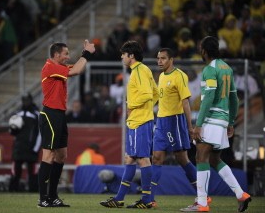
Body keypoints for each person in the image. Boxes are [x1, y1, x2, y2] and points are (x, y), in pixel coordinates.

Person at [180, 36, 251, 212]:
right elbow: (234, 97)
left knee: (200, 157)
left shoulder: (209, 70)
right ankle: (241, 194)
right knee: (214, 158)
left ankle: (202, 204)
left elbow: (209, 97)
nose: (198, 48)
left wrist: (199, 124)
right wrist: (231, 121)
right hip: (222, 119)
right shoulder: (226, 68)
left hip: (211, 119)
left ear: (204, 50)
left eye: (200, 46)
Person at [100, 40, 159, 209]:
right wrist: (147, 109)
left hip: (139, 121)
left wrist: (132, 105)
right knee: (130, 158)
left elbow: (148, 94)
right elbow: (155, 93)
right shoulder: (143, 70)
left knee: (142, 160)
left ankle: (146, 200)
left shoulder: (138, 71)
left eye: (123, 54)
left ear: (131, 56)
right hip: (140, 119)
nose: (121, 57)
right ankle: (119, 198)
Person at [38, 40, 95, 207]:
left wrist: (85, 55)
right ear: (56, 55)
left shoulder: (59, 68)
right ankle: (43, 199)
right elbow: (77, 70)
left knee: (61, 156)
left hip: (59, 115)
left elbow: (77, 66)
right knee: (48, 156)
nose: (68, 57)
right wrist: (87, 53)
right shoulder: (50, 67)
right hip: (50, 114)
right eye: (66, 54)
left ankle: (53, 196)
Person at [150, 48, 199, 208]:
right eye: (158, 58)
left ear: (171, 59)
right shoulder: (162, 76)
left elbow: (186, 102)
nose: (159, 61)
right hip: (161, 121)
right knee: (156, 157)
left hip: (175, 121)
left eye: (163, 58)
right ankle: (150, 199)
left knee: (182, 158)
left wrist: (190, 127)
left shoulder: (180, 76)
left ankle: (202, 196)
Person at [8, 93, 41, 192]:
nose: (26, 102)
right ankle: (12, 191)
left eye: (27, 100)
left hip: (31, 148)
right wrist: (12, 129)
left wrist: (35, 148)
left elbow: (40, 133)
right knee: (15, 172)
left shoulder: (37, 115)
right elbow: (12, 132)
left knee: (33, 173)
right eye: (24, 100)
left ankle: (34, 191)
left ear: (31, 100)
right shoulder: (17, 114)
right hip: (19, 148)